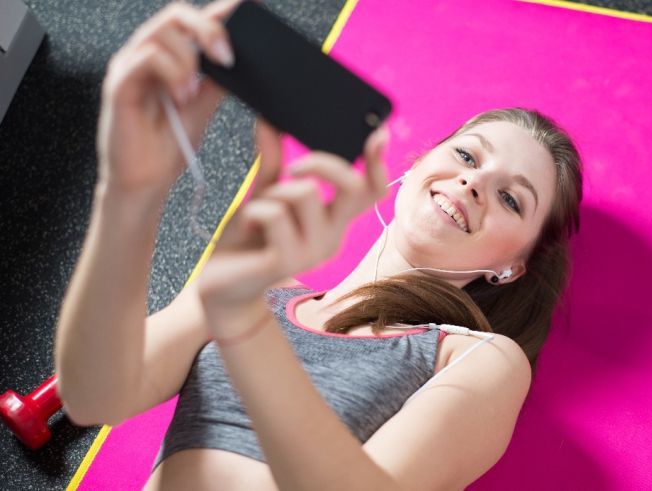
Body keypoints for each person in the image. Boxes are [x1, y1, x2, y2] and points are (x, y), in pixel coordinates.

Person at [53, 0, 583, 489]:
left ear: (512, 268)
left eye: (512, 199)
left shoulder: (482, 359)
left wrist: (243, 325)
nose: (474, 184)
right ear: (419, 165)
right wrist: (128, 193)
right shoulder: (254, 286)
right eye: (468, 157)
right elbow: (94, 393)